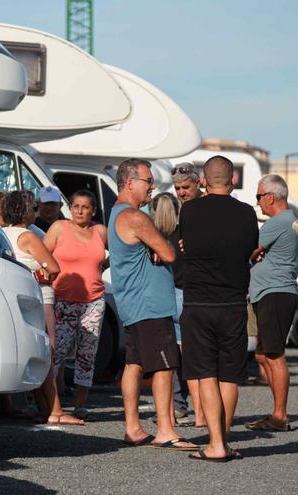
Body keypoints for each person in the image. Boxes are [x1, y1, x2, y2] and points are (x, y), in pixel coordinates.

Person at [108, 158, 196, 451]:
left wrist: (156, 247)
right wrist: (161, 246)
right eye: (148, 181)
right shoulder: (134, 216)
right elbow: (169, 253)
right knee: (164, 365)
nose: (152, 187)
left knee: (134, 364)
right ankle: (166, 430)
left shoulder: (117, 213)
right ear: (130, 183)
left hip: (135, 303)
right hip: (150, 304)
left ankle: (133, 428)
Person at [180, 155, 258, 462]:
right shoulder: (247, 212)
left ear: (202, 180)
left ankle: (215, 444)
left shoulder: (190, 209)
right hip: (233, 303)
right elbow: (250, 248)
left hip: (198, 302)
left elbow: (186, 242)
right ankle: (222, 440)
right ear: (233, 179)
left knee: (207, 375)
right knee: (229, 376)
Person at [0, 191, 82, 425]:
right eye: (32, 208)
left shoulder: (2, 233)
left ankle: (44, 408)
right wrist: (39, 272)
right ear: (25, 211)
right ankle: (55, 409)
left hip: (15, 296)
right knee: (48, 353)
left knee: (36, 352)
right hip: (40, 297)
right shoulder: (28, 236)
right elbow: (54, 268)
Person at [44, 190, 108, 420]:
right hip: (63, 302)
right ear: (70, 208)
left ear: (93, 211)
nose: (80, 211)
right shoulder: (59, 228)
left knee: (87, 355)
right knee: (55, 353)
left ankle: (80, 405)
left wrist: (100, 268)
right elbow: (42, 255)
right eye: (75, 206)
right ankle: (48, 404)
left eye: (85, 207)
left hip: (94, 301)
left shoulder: (100, 231)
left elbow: (116, 256)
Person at [245, 175, 298, 432]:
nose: (257, 203)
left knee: (275, 356)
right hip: (271, 293)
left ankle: (280, 415)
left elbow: (249, 251)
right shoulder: (289, 222)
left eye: (258, 197)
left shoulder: (277, 222)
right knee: (263, 355)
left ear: (270, 196)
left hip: (274, 294)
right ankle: (277, 412)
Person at [169, 164, 207, 428]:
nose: (182, 192)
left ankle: (203, 411)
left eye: (186, 187)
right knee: (179, 353)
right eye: (178, 188)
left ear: (199, 184)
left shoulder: (206, 210)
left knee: (197, 353)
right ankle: (181, 405)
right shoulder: (178, 211)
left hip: (200, 290)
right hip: (178, 286)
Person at [149, 192, 191, 427]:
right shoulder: (184, 236)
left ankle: (177, 406)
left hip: (166, 295)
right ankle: (200, 407)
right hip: (187, 296)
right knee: (189, 357)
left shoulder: (154, 238)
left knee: (169, 359)